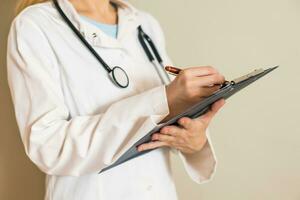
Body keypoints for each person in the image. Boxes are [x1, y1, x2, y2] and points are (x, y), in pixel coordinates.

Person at [7, 0, 226, 199]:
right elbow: (49, 147)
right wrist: (163, 98)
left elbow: (164, 115)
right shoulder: (35, 25)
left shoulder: (144, 23)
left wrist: (193, 140)